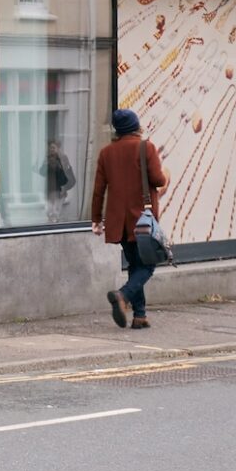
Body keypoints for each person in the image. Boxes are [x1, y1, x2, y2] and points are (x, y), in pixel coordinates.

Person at [90, 107, 170, 330]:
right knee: (148, 265)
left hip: (119, 222)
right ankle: (122, 295)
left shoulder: (106, 153)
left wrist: (96, 218)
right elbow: (158, 179)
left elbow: (98, 190)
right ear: (136, 126)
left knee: (135, 264)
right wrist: (164, 175)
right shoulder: (146, 147)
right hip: (142, 219)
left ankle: (140, 316)